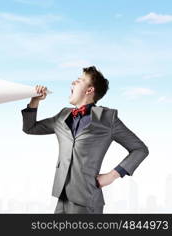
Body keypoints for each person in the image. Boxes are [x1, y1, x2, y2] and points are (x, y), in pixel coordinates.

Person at [21, 66, 149, 214]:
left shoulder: (108, 119)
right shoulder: (62, 116)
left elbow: (140, 149)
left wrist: (112, 175)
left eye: (79, 81)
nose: (73, 83)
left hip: (87, 200)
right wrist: (34, 102)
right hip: (62, 198)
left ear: (89, 90)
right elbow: (30, 128)